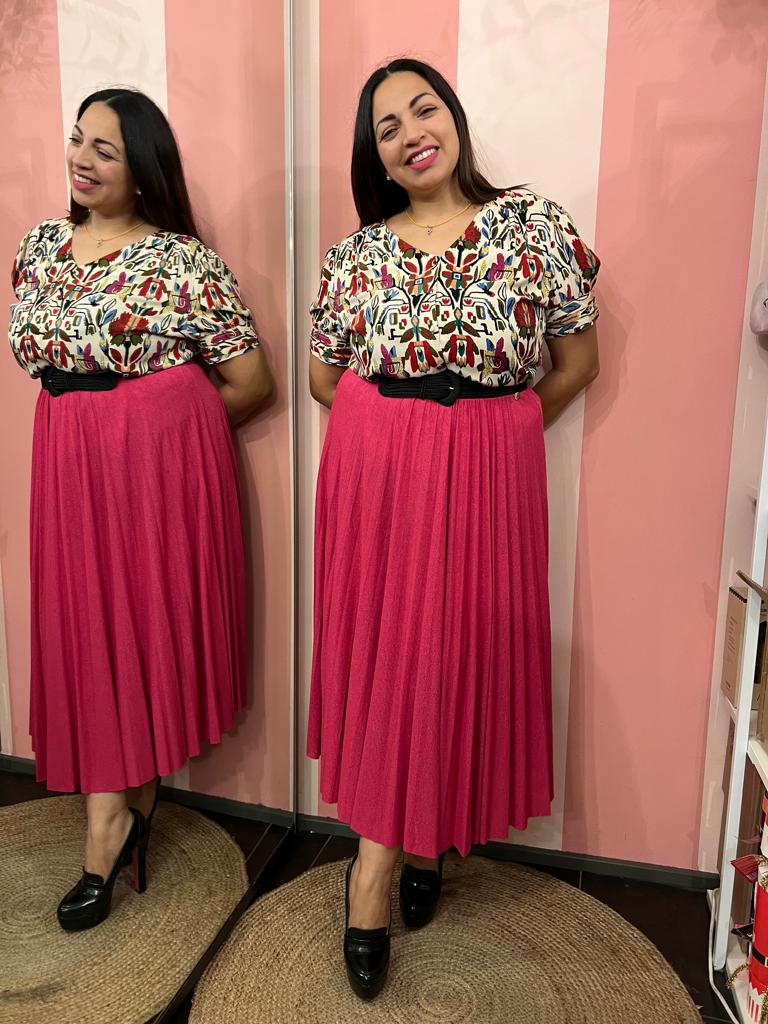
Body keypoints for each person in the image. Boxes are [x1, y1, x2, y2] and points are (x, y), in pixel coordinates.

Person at [307, 58, 600, 999]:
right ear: (377, 157)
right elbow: (323, 376)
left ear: (455, 117)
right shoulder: (355, 255)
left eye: (422, 109)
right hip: (376, 472)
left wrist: (493, 435)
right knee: (390, 655)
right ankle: (374, 871)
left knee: (457, 650)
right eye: (387, 128)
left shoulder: (533, 225)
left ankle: (427, 830)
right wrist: (396, 436)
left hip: (486, 473)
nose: (410, 134)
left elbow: (576, 359)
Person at [9, 88, 272, 931]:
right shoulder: (40, 246)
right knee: (86, 630)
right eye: (77, 140)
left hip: (147, 477)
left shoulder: (182, 262)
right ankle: (130, 803)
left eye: (107, 149)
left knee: (138, 625)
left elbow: (250, 383)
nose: (82, 159)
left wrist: (159, 441)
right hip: (65, 466)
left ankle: (108, 828)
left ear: (145, 168)